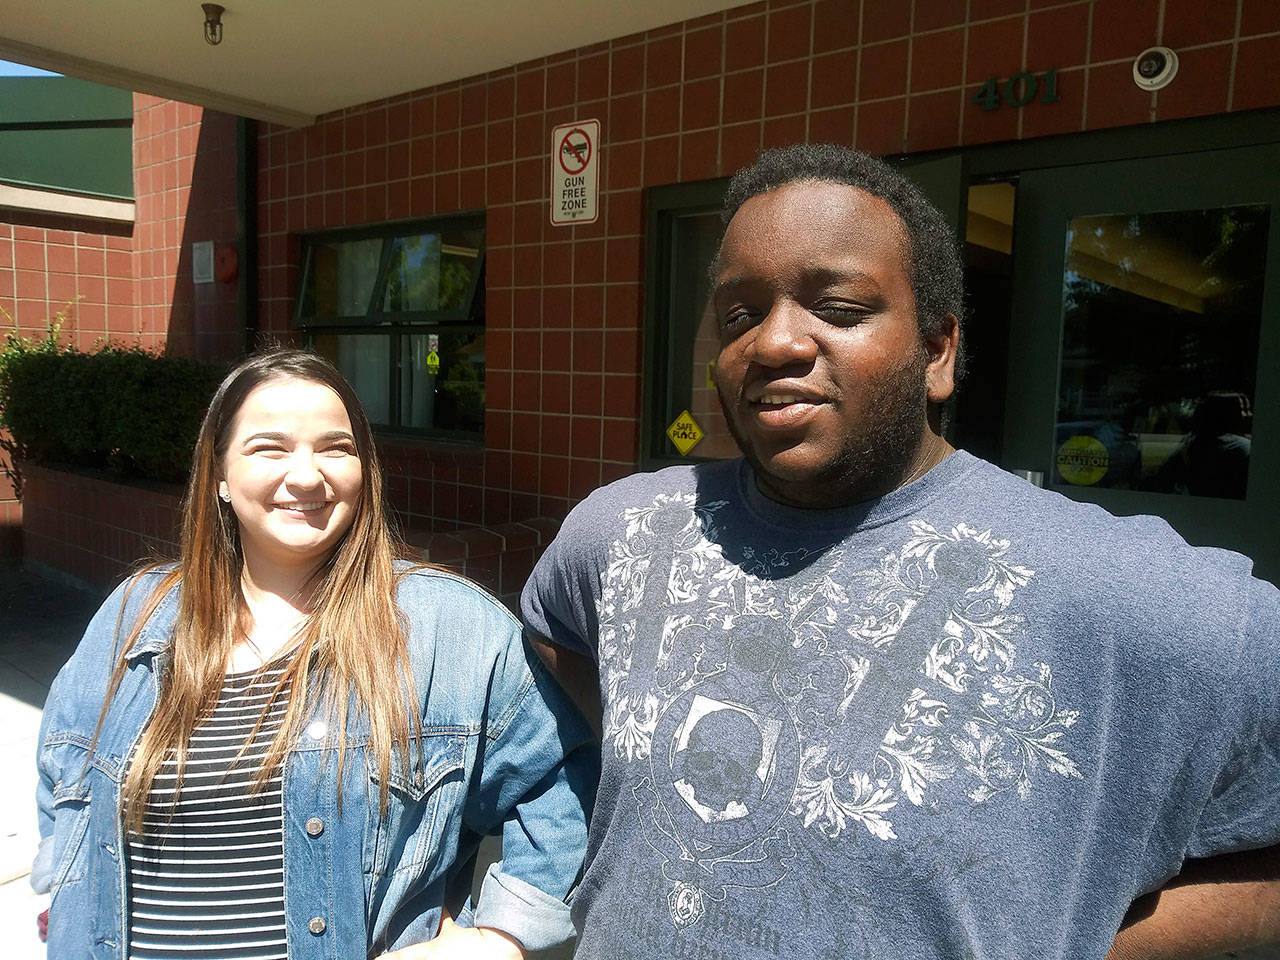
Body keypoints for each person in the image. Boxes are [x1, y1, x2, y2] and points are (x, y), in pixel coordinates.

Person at [521, 144, 1280, 959]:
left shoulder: (1111, 589)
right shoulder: (622, 531)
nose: (775, 342)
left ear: (938, 352)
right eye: (739, 314)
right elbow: (555, 639)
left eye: (839, 308)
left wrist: (1092, 940)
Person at [34, 349, 596, 960]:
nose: (306, 476)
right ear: (219, 474)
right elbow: (64, 774)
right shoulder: (134, 613)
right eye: (268, 447)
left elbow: (565, 779)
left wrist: (500, 937)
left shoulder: (448, 628)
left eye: (335, 448)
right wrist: (61, 887)